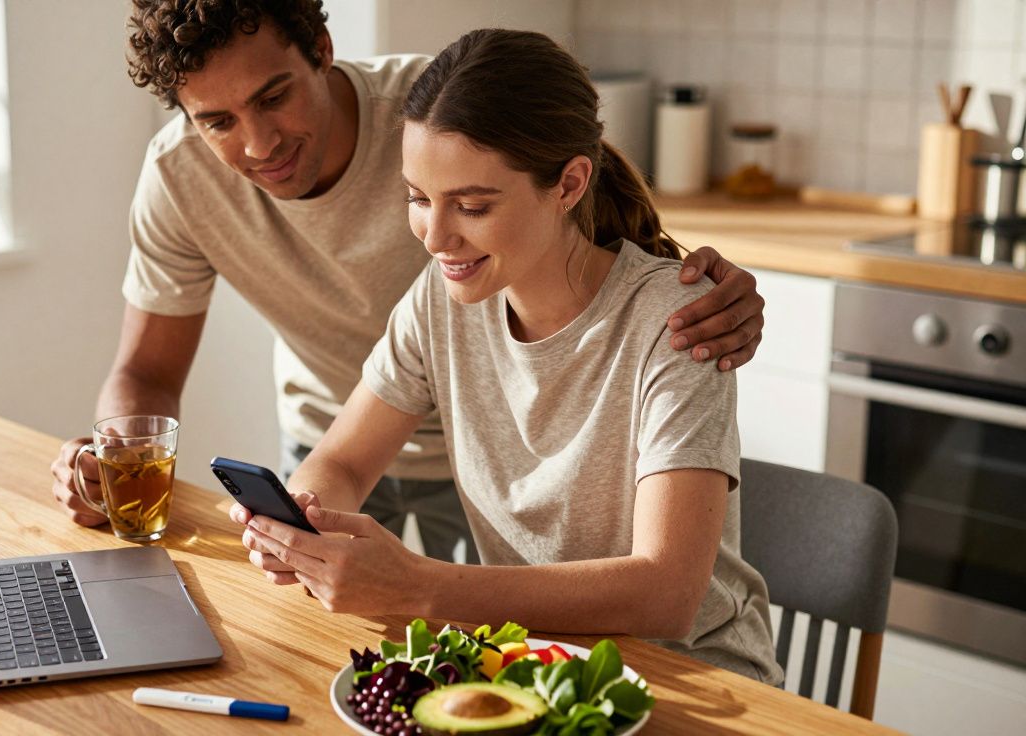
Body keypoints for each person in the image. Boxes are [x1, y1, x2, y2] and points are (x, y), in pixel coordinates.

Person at [50, 0, 769, 567]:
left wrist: (682, 284)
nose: (258, 143)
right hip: (340, 432)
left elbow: (571, 204)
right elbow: (148, 372)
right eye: (216, 121)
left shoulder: (433, 116)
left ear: (321, 50)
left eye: (274, 97)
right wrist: (118, 462)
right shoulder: (180, 178)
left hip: (488, 451)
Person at [230, 28, 782, 684]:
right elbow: (343, 461)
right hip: (533, 665)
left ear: (569, 184)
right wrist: (304, 520)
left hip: (697, 683)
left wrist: (418, 586)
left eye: (471, 206)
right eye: (418, 198)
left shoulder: (680, 321)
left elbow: (667, 594)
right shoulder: (441, 302)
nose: (436, 237)